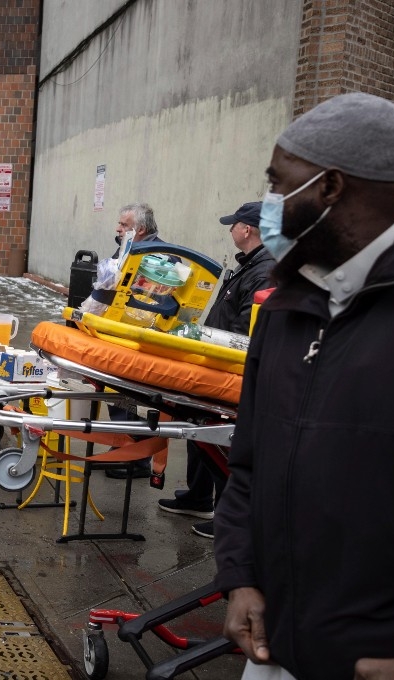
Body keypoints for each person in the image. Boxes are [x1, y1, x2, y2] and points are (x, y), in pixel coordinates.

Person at [215, 92, 394, 680]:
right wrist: (241, 577)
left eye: (279, 181)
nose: (271, 199)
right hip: (275, 648)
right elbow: (248, 462)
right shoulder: (289, 300)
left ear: (329, 188)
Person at [157, 201, 273, 539]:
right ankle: (197, 496)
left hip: (229, 370)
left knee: (218, 438)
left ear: (247, 229)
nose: (230, 229)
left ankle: (225, 516)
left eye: (233, 224)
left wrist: (206, 341)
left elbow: (244, 331)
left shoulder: (262, 270)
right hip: (216, 361)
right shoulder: (251, 264)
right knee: (199, 432)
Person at [102, 201, 166, 480]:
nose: (118, 228)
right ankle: (126, 450)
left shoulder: (161, 256)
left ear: (139, 229)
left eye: (123, 225)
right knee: (117, 398)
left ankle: (137, 458)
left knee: (129, 398)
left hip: (139, 338)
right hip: (119, 333)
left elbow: (153, 299)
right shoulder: (128, 247)